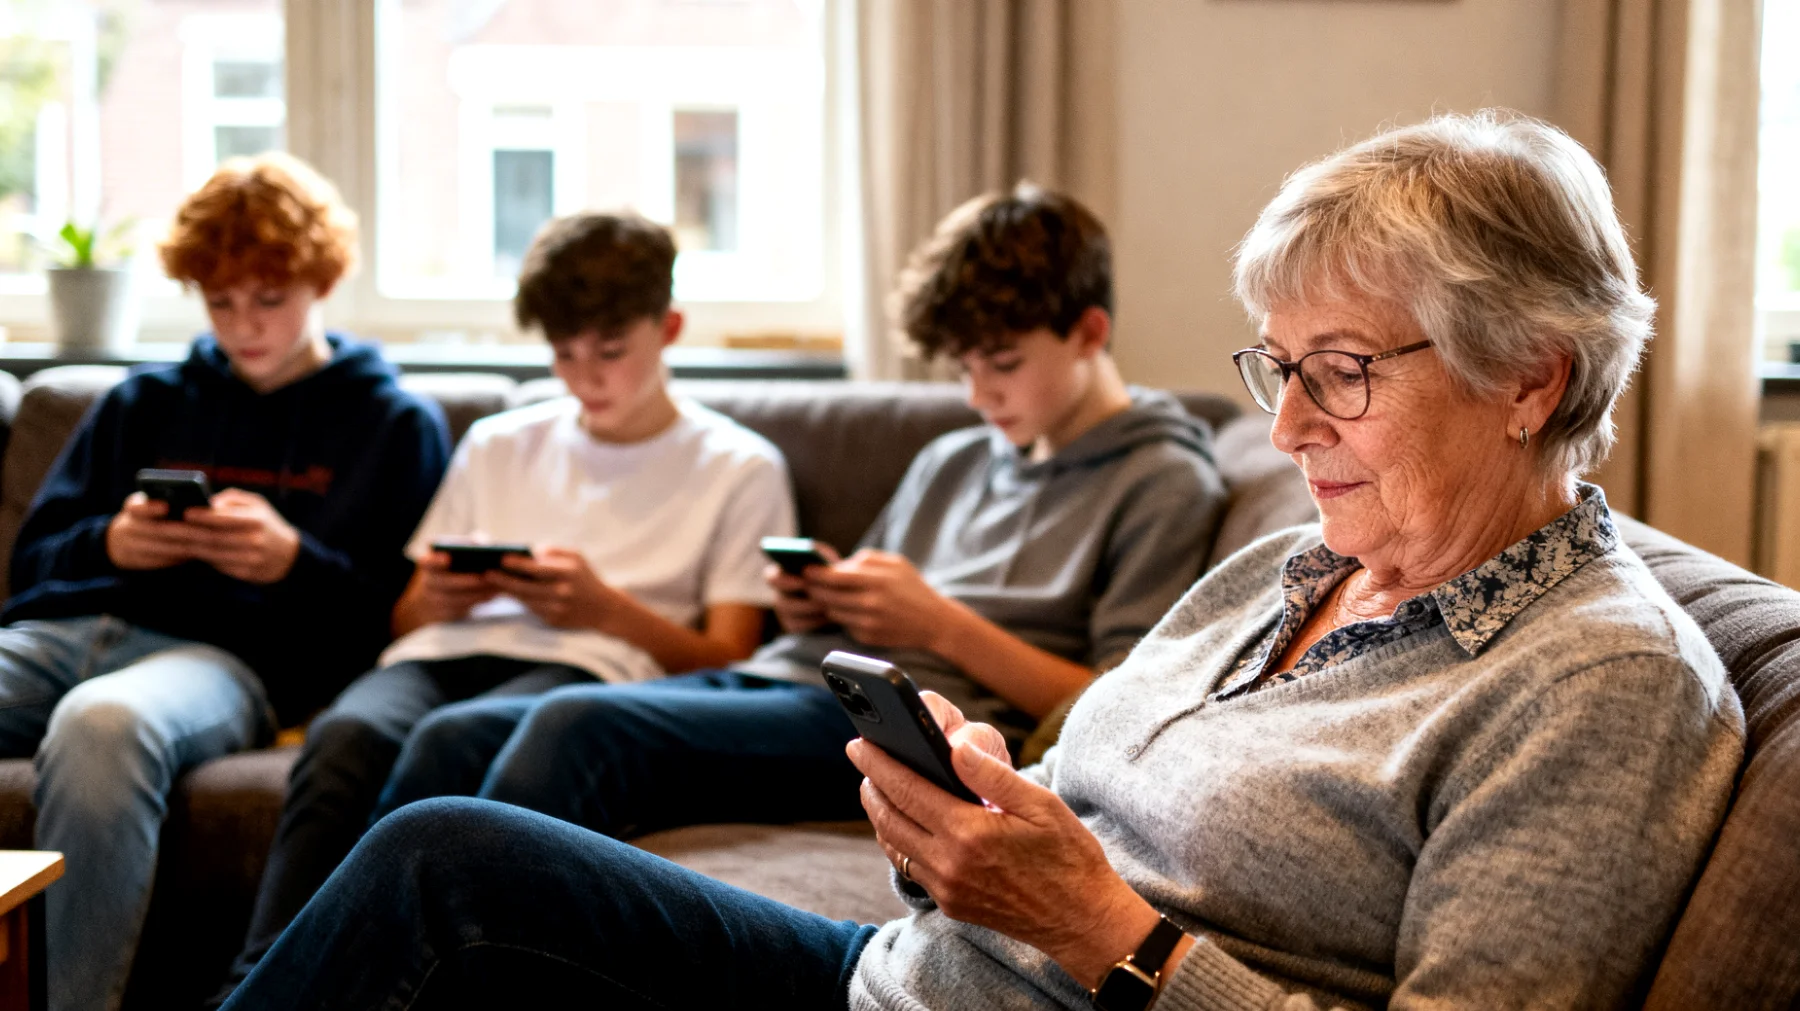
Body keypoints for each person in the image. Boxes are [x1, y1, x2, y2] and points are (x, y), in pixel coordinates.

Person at [221, 111, 1747, 1011]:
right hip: (904, 970)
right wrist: (945, 816)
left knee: (454, 871)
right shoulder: (1286, 571)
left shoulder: (1600, 686)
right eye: (1272, 364)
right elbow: (1064, 791)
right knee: (449, 854)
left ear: (1531, 373)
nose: (1282, 426)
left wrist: (1107, 932)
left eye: (1338, 369)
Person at [361, 184, 1227, 846]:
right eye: (962, 365)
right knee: (451, 737)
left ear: (1089, 330)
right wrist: (825, 600)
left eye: (1001, 361)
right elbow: (865, 615)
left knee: (577, 724)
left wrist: (939, 623)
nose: (977, 393)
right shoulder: (957, 455)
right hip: (798, 676)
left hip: (905, 726)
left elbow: (1117, 706)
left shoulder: (1161, 480)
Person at [208, 210, 795, 1004]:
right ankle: (256, 985)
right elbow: (407, 620)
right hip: (444, 649)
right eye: (563, 353)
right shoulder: (499, 440)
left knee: (455, 738)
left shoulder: (739, 465)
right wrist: (439, 595)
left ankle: (358, 978)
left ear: (671, 327)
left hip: (584, 660)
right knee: (346, 733)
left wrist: (603, 607)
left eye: (611, 352)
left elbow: (733, 658)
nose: (587, 376)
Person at [0, 153, 450, 1011]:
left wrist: (292, 564)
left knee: (103, 724)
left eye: (269, 299)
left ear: (321, 281)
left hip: (218, 659)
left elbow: (395, 630)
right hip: (65, 633)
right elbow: (30, 565)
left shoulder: (390, 423)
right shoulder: (144, 401)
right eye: (219, 300)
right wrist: (113, 544)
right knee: (87, 697)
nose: (243, 324)